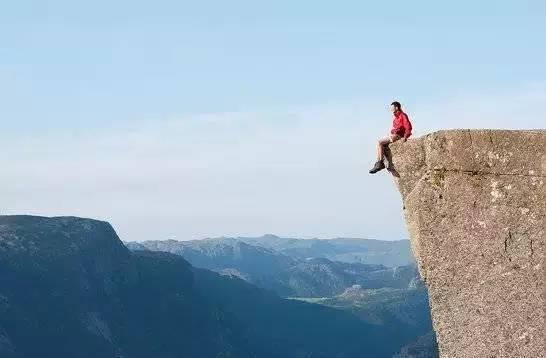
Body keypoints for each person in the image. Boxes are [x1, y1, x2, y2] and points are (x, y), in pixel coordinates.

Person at [369, 101, 413, 174]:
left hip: (398, 136)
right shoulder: (395, 119)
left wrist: (405, 137)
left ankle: (379, 163)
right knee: (383, 146)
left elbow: (408, 126)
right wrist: (393, 131)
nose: (391, 109)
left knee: (379, 142)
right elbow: (394, 129)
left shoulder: (403, 115)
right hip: (395, 135)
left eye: (392, 108)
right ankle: (381, 163)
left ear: (397, 107)